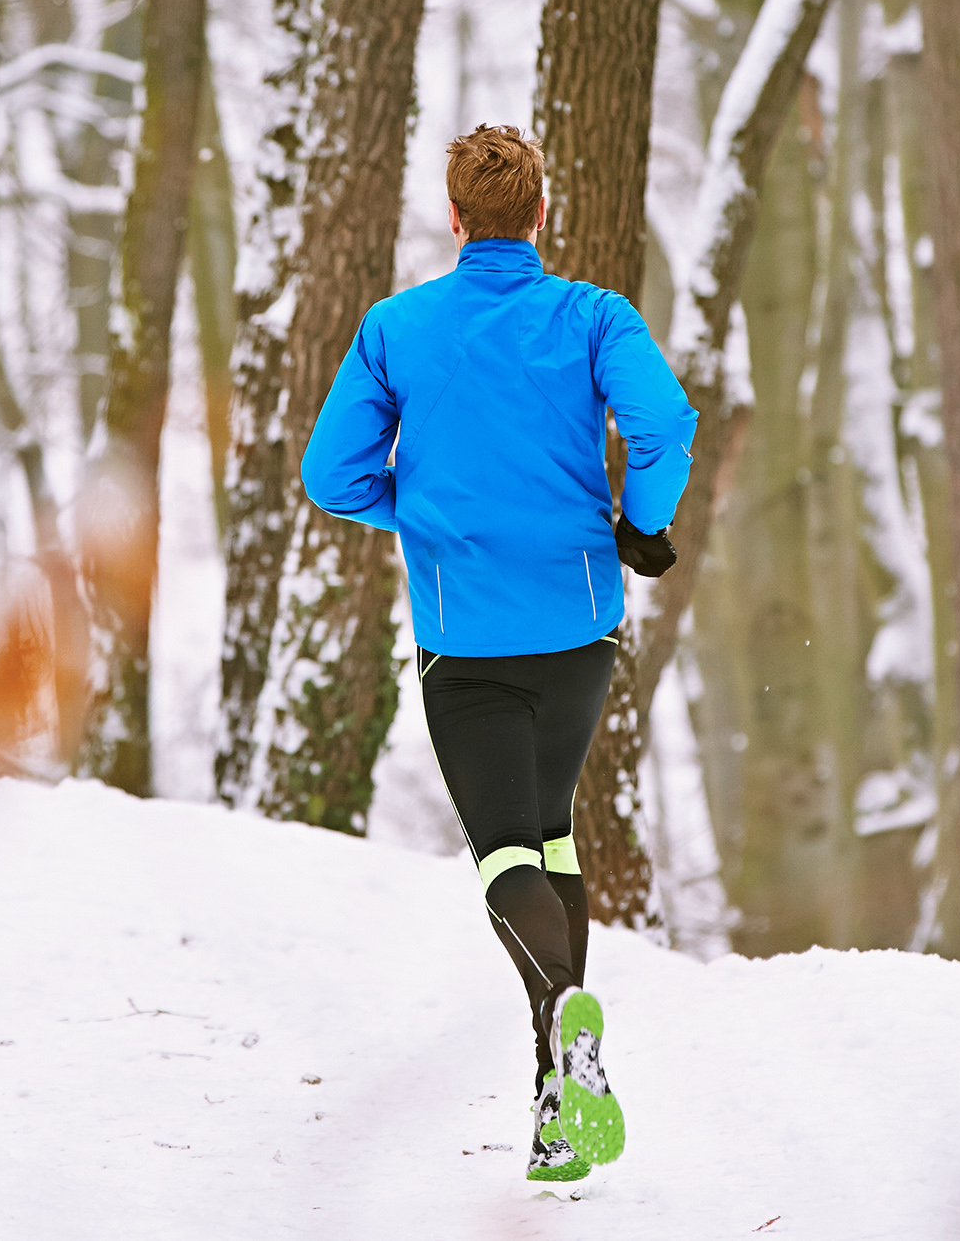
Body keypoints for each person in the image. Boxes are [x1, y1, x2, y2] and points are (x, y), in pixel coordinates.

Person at [299, 124, 696, 1183]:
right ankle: (557, 1111)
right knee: (552, 837)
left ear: (457, 217)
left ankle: (564, 1015)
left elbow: (330, 476)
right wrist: (639, 522)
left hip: (462, 637)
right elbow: (663, 420)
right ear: (541, 214)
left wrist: (420, 511)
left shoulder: (397, 328)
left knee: (506, 855)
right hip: (577, 628)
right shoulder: (593, 316)